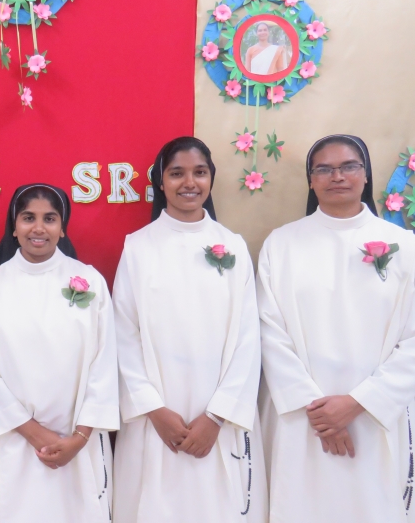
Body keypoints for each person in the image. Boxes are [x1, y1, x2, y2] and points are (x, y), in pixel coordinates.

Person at [258, 135, 415, 522]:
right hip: (300, 418)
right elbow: (267, 332)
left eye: (349, 166)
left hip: (378, 415)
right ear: (311, 181)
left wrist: (358, 402)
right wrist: (319, 412)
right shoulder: (281, 244)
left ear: (365, 175)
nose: (337, 176)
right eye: (324, 169)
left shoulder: (404, 246)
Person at [111, 137, 267, 523]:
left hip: (219, 421)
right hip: (155, 420)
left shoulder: (231, 246)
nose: (189, 183)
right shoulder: (137, 248)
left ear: (211, 179)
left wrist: (217, 416)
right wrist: (154, 409)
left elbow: (249, 340)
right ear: (159, 182)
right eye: (176, 173)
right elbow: (122, 335)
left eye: (199, 172)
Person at [0, 184, 119, 523]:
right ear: (13, 227)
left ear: (63, 228)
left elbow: (104, 364)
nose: (38, 228)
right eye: (28, 217)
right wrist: (35, 434)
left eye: (50, 218)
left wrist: (79, 437)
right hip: (11, 441)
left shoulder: (90, 282)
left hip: (77, 443)